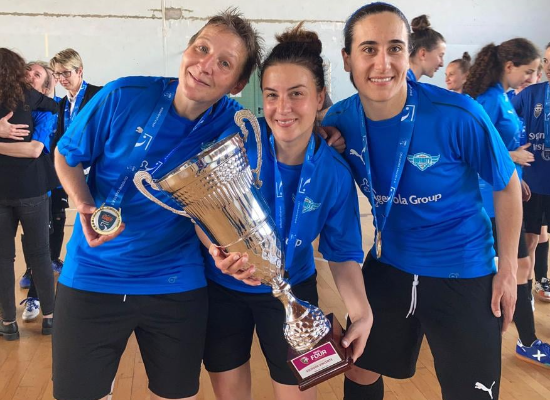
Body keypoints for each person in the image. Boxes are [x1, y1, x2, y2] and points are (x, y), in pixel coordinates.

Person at [52, 9, 262, 400]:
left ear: (238, 83)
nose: (205, 65)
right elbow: (66, 155)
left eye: (224, 63)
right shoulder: (123, 95)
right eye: (202, 48)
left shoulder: (236, 127)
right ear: (187, 49)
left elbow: (214, 207)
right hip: (94, 274)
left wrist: (330, 130)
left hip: (175, 282)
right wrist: (83, 203)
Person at [322, 3, 521, 399]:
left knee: (473, 391)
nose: (383, 63)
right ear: (347, 59)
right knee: (358, 367)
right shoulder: (338, 121)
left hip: (463, 268)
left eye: (395, 48)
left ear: (408, 54)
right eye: (368, 49)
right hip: (390, 263)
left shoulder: (457, 113)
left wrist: (510, 269)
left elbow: (508, 185)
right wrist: (321, 141)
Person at [202, 23, 372, 400]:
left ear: (319, 97)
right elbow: (204, 212)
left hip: (295, 292)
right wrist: (216, 251)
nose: (283, 108)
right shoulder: (238, 146)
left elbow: (342, 252)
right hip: (225, 289)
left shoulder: (334, 172)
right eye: (272, 95)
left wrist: (362, 312)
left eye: (297, 94)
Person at [463, 38, 550, 369]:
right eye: (528, 71)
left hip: (505, 195)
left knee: (518, 269)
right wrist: (512, 157)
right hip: (489, 203)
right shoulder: (488, 100)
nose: (531, 78)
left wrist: (515, 179)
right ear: (509, 66)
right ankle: (516, 340)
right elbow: (472, 148)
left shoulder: (502, 96)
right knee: (507, 271)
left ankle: (524, 340)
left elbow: (496, 146)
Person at [0, 48, 59, 341]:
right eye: (27, 70)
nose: (29, 75)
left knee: (9, 258)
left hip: (17, 188)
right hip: (29, 189)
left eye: (36, 73)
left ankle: (9, 322)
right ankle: (48, 318)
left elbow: (35, 149)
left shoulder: (33, 101)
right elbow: (54, 103)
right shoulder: (29, 98)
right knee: (37, 254)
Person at [48, 48, 102, 274]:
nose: (61, 79)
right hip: (73, 170)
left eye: (66, 73)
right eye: (57, 74)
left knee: (99, 217)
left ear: (79, 71)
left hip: (97, 168)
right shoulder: (61, 104)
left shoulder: (99, 95)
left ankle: (101, 263)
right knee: (81, 217)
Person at [512, 43, 550, 306]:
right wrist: (512, 153)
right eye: (546, 60)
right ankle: (525, 290)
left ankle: (541, 280)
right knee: (530, 239)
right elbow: (499, 125)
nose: (549, 66)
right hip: (534, 182)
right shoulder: (531, 94)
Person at [407, 14, 446, 82]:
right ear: (423, 54)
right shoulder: (403, 85)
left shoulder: (406, 82)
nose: (442, 64)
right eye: (440, 56)